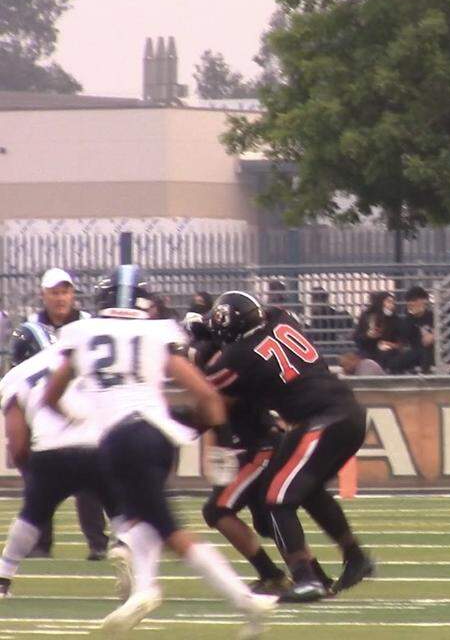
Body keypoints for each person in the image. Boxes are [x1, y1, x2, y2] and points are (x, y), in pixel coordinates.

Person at [41, 266, 276, 635]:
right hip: (157, 435)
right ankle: (145, 587)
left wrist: (78, 420)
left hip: (120, 439)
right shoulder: (156, 332)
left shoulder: (84, 333)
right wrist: (222, 443)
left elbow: (51, 396)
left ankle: (247, 603)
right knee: (142, 516)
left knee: (169, 529)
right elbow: (207, 395)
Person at [205, 291, 374, 602]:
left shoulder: (239, 356)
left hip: (322, 419)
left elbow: (209, 385)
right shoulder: (281, 317)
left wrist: (198, 350)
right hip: (347, 412)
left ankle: (306, 578)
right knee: (306, 490)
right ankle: (354, 556)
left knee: (277, 498)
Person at [0, 323, 119, 598]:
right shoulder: (75, 355)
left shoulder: (15, 376)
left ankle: (4, 575)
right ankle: (126, 550)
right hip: (96, 441)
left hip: (52, 449)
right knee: (122, 510)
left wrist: (32, 477)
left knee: (31, 517)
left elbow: (17, 446)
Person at [189, 326, 292, 597]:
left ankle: (283, 574)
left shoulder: (227, 370)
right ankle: (300, 574)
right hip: (255, 447)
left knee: (218, 509)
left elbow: (209, 415)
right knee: (266, 522)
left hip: (260, 449)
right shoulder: (237, 361)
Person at [26, 267, 106, 561]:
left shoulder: (89, 325)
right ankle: (40, 544)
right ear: (43, 295)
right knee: (41, 482)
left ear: (73, 294)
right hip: (44, 412)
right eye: (55, 292)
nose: (61, 298)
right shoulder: (31, 328)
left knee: (89, 481)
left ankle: (98, 543)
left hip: (83, 410)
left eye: (65, 292)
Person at [353, 292, 402, 372]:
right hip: (368, 350)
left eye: (393, 302)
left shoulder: (395, 320)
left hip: (387, 352)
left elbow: (400, 342)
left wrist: (388, 344)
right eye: (388, 302)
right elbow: (357, 337)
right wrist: (368, 335)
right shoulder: (367, 316)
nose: (391, 305)